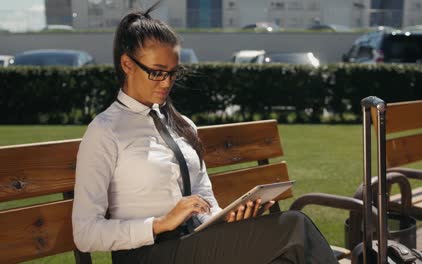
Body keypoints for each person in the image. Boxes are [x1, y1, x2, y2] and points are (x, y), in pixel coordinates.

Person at [71, 2, 337, 263]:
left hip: (194, 244)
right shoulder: (105, 131)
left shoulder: (182, 125)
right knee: (293, 226)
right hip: (148, 253)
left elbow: (205, 201)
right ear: (127, 65)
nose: (167, 83)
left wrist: (231, 218)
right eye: (157, 73)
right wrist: (159, 223)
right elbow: (85, 234)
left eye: (173, 73)